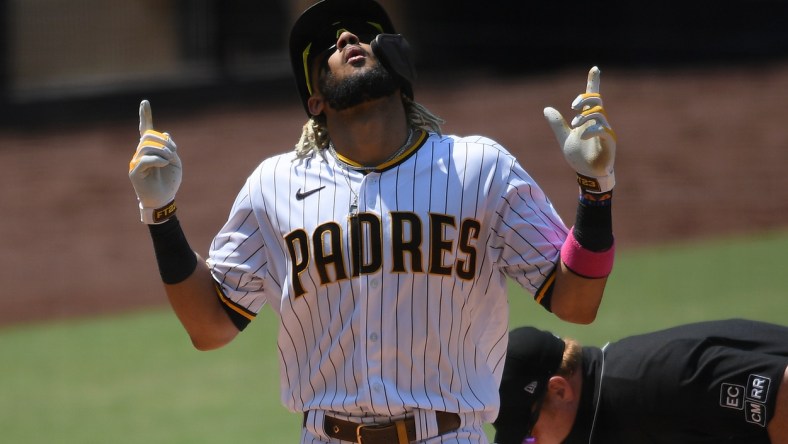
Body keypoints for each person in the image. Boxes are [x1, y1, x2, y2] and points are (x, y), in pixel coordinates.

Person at [127, 0, 618, 442]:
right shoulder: (273, 185)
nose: (346, 40)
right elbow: (210, 327)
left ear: (398, 66)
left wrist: (596, 191)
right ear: (315, 101)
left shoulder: (480, 168)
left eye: (362, 34)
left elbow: (576, 302)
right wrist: (161, 216)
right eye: (328, 48)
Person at [493, 320, 788, 444]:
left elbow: (782, 390)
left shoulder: (650, 382)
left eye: (529, 432)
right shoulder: (595, 414)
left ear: (560, 390)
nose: (532, 443)